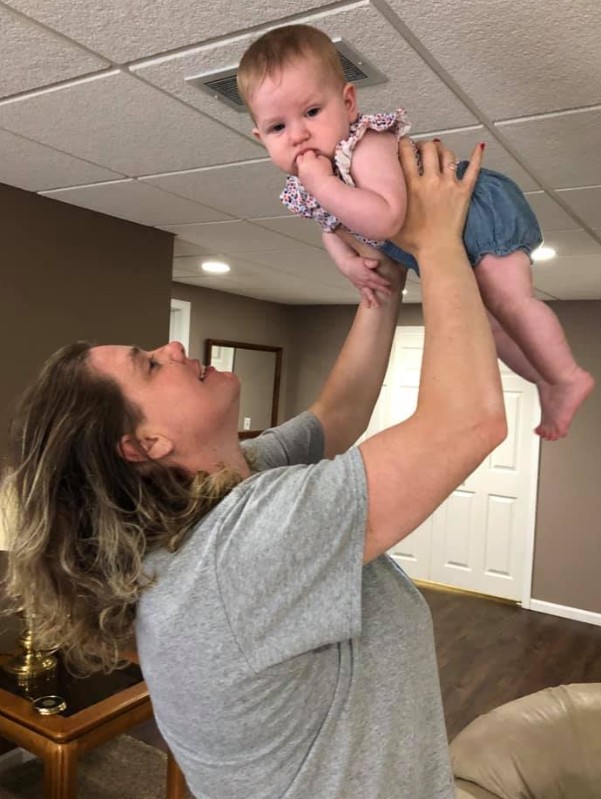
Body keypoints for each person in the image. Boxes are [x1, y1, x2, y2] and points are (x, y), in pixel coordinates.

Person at [2, 138, 506, 799]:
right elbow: (467, 420)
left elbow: (338, 413)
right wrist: (437, 239)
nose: (173, 346)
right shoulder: (233, 556)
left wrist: (381, 283)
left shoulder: (225, 491)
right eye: (149, 364)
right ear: (145, 444)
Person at [237, 23, 594, 442]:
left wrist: (323, 184)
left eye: (312, 112)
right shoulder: (317, 182)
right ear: (260, 137)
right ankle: (545, 380)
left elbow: (385, 219)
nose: (298, 135)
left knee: (511, 302)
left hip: (477, 212)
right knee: (490, 326)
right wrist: (347, 262)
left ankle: (566, 375)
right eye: (277, 128)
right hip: (445, 242)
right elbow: (331, 225)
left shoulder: (364, 146)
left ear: (348, 103)